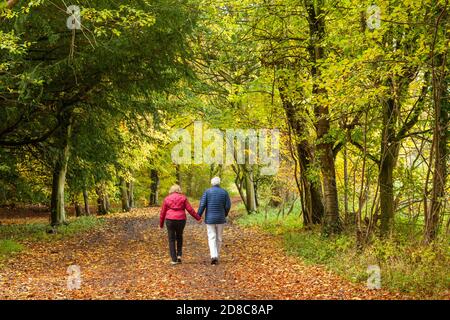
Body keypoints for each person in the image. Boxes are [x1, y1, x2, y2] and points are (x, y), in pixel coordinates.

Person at [160, 184, 202, 265]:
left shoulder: (167, 199)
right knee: (179, 236)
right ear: (179, 190)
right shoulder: (183, 198)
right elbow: (190, 209)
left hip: (170, 220)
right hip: (181, 220)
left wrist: (161, 224)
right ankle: (179, 255)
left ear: (171, 190)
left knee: (171, 239)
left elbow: (162, 212)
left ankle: (174, 259)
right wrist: (198, 218)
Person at [198, 177, 231, 265]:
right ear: (219, 183)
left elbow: (202, 204)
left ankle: (214, 256)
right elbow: (228, 206)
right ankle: (216, 255)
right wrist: (225, 214)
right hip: (220, 218)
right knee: (219, 238)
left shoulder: (207, 192)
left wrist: (198, 215)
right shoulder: (224, 192)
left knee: (211, 237)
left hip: (210, 219)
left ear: (212, 183)